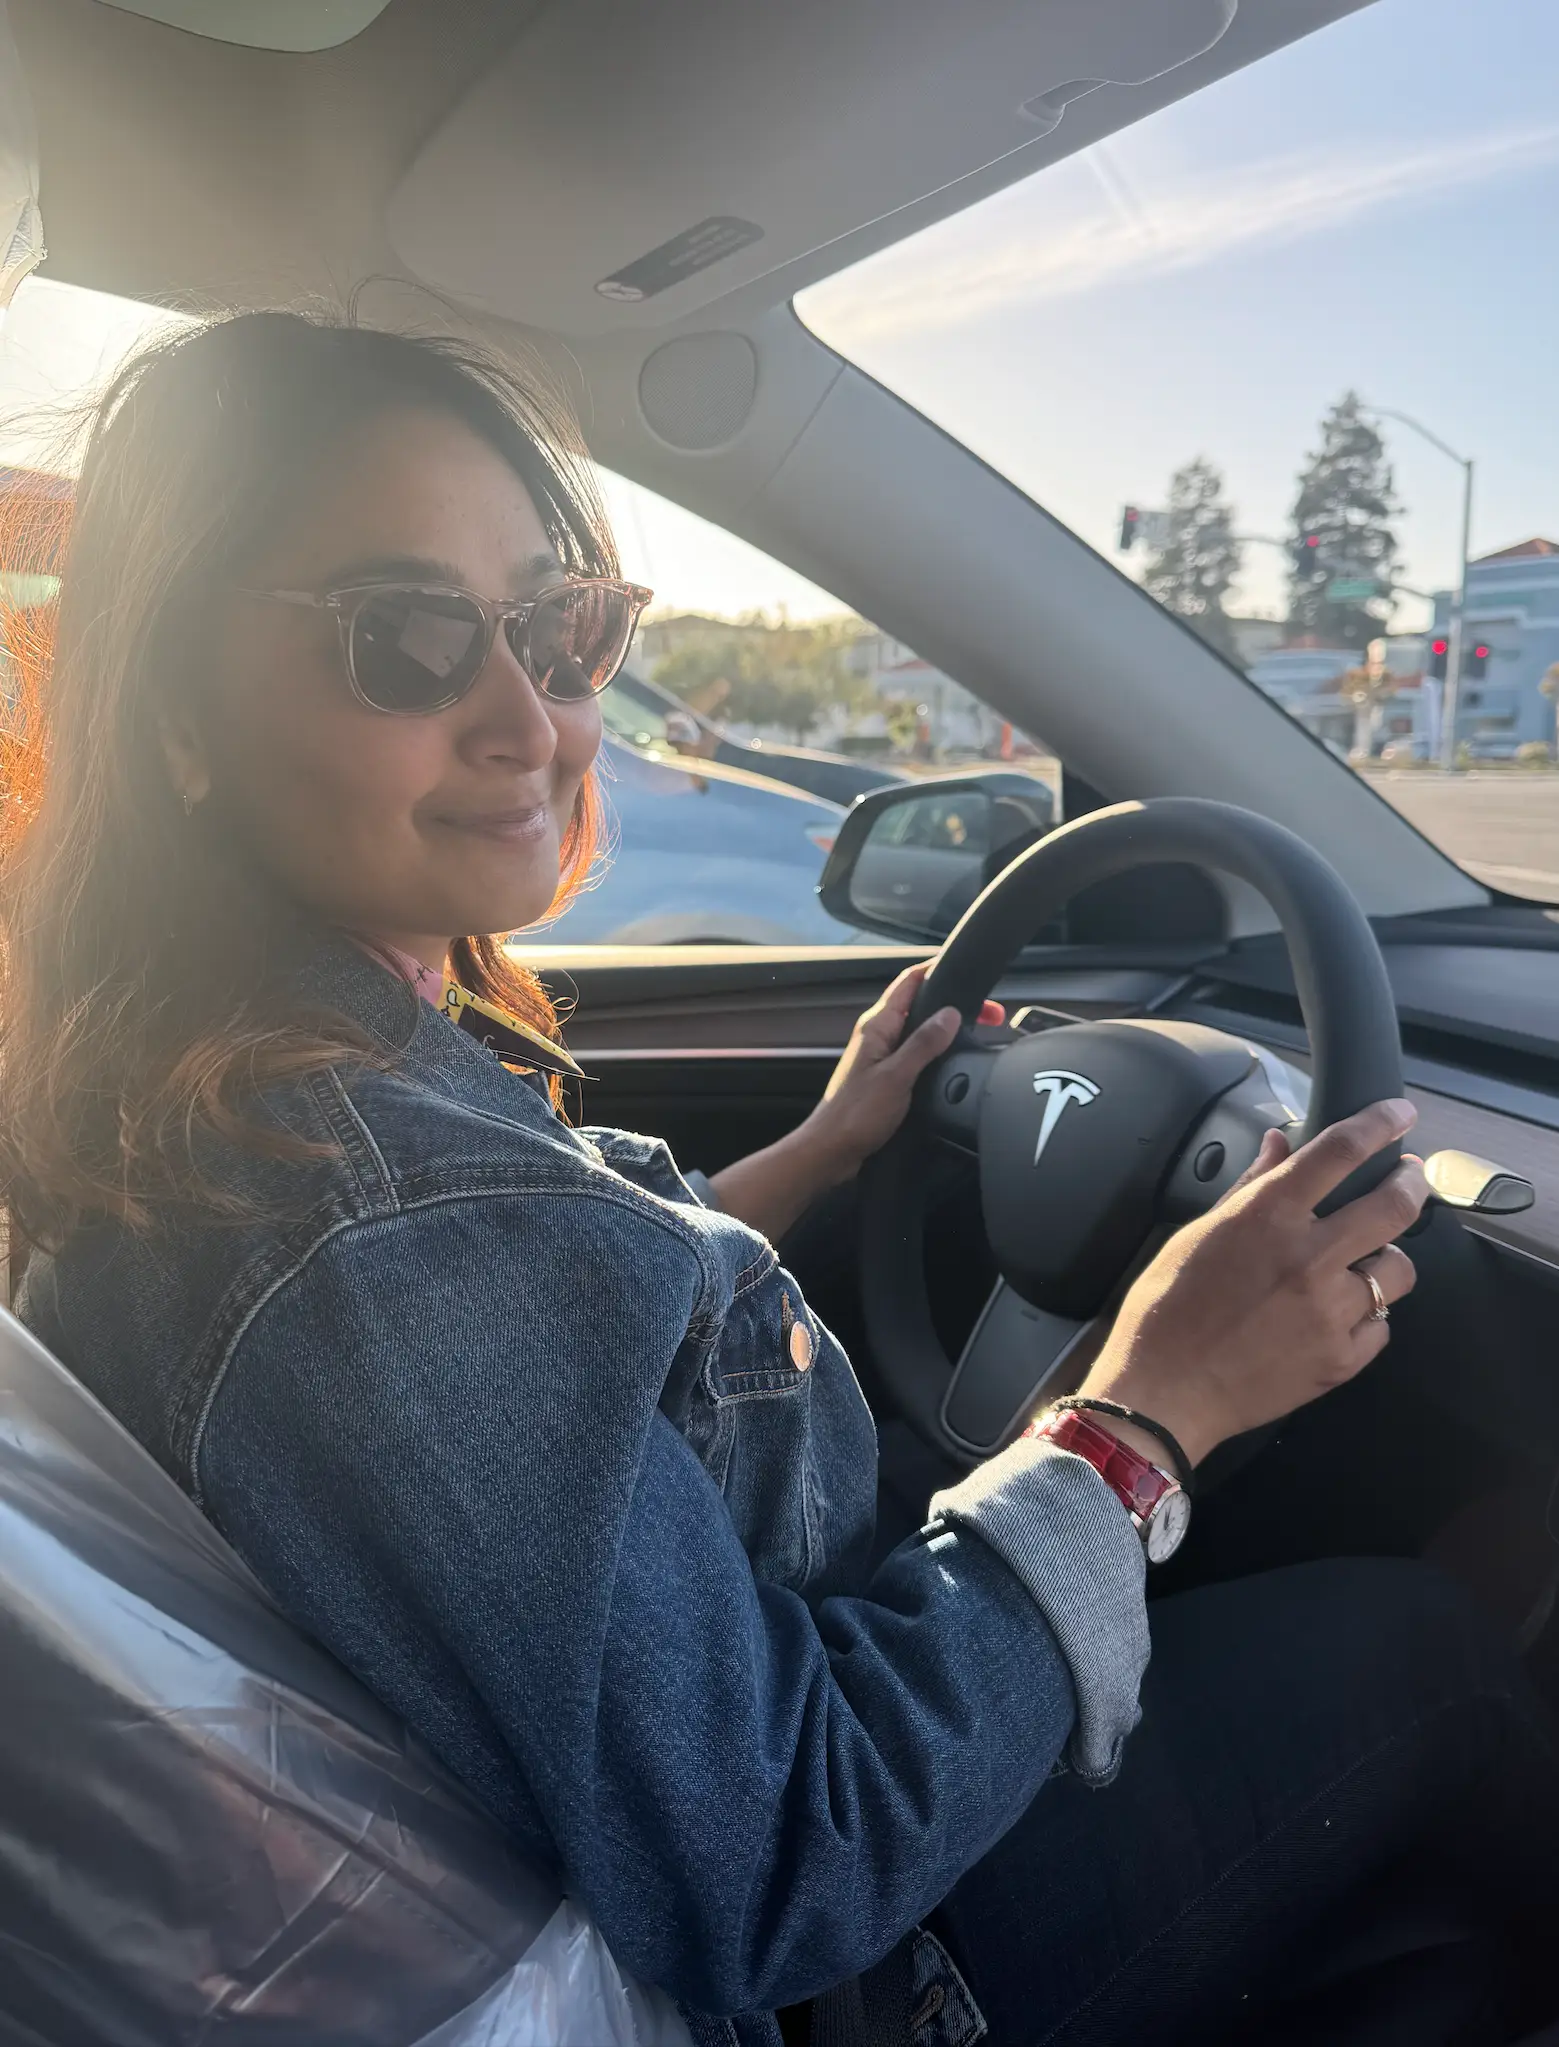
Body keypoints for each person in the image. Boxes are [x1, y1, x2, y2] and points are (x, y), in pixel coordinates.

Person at [1, 311, 1555, 2047]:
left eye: (560, 625)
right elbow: (786, 1858)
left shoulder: (253, 1093)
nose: (528, 714)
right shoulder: (356, 1222)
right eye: (407, 638)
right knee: (1431, 1647)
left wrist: (819, 1153)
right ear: (178, 715)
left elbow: (551, 1377)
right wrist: (1145, 1413)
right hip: (878, 1961)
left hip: (792, 1779)